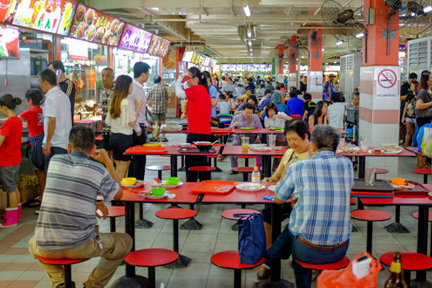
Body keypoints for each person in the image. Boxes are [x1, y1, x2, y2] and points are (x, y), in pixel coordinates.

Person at [29, 126, 132, 288]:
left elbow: (68, 189)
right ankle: (92, 285)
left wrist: (94, 202)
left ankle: (60, 282)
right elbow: (118, 194)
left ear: (69, 148)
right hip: (81, 245)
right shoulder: (98, 169)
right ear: (93, 149)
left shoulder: (55, 162)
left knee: (32, 243)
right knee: (124, 241)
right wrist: (107, 162)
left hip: (46, 245)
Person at [261, 125, 353, 288]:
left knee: (293, 230)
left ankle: (270, 259)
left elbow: (278, 199)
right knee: (295, 227)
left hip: (307, 250)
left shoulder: (298, 167)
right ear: (336, 146)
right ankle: (270, 258)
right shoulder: (347, 165)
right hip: (341, 248)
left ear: (312, 145)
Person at [257, 120, 311, 279]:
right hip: (282, 196)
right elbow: (277, 176)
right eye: (289, 140)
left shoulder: (312, 155)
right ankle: (269, 255)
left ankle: (276, 259)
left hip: (301, 200)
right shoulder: (288, 153)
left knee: (295, 220)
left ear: (306, 136)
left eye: (295, 139)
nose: (292, 143)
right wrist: (269, 179)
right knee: (266, 215)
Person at [175, 67, 212, 182]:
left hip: (197, 133)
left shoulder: (197, 89)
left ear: (195, 79)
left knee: (191, 164)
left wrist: (178, 80)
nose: (186, 81)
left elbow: (179, 93)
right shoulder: (202, 90)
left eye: (188, 78)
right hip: (203, 132)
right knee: (201, 163)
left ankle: (191, 189)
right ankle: (204, 189)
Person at [106, 75, 141, 180]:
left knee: (117, 169)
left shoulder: (113, 101)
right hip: (125, 138)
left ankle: (114, 191)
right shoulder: (127, 103)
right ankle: (119, 193)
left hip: (113, 137)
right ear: (126, 87)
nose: (132, 88)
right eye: (131, 86)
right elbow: (131, 123)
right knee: (123, 170)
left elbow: (108, 121)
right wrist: (137, 110)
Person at [39, 69, 72, 170]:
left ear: (45, 82)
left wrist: (48, 142)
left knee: (52, 177)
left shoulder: (50, 98)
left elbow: (52, 121)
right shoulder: (63, 96)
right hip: (65, 142)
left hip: (55, 144)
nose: (40, 85)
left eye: (40, 82)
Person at [19, 89, 46, 205]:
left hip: (36, 143)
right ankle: (43, 196)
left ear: (29, 100)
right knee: (41, 171)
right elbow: (36, 123)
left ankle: (42, 198)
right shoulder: (41, 110)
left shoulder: (31, 111)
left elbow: (13, 119)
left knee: (40, 171)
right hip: (41, 140)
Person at [0, 94, 23, 228]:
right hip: (15, 158)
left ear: (4, 107)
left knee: (10, 190)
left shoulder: (8, 123)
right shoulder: (18, 120)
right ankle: (17, 214)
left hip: (7, 161)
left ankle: (12, 219)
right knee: (14, 186)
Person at [128, 62, 152, 180]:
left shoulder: (139, 88)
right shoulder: (133, 89)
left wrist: (146, 124)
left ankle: (138, 183)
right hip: (135, 129)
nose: (148, 76)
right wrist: (138, 129)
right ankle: (135, 185)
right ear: (143, 74)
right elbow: (132, 112)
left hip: (140, 126)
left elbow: (141, 111)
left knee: (140, 159)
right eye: (148, 74)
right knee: (137, 160)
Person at [229, 103, 263, 174]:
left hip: (252, 139)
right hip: (239, 139)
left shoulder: (255, 118)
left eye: (250, 113)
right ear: (243, 111)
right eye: (246, 112)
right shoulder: (237, 117)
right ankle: (234, 167)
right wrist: (234, 125)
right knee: (232, 148)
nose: (248, 114)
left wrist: (258, 137)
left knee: (261, 149)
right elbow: (229, 130)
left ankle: (260, 168)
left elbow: (260, 130)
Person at [48, 61, 76, 125]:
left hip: (65, 123)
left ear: (59, 72)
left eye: (51, 72)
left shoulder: (69, 84)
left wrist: (57, 82)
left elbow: (62, 100)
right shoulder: (53, 85)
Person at [147, 75, 169, 141]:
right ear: (160, 80)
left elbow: (147, 98)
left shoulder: (151, 88)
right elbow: (167, 98)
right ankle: (163, 137)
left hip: (155, 109)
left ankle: (156, 137)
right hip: (162, 108)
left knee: (156, 123)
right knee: (163, 123)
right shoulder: (164, 88)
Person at [100, 67, 115, 157]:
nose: (104, 78)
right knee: (106, 152)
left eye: (107, 76)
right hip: (105, 128)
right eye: (102, 76)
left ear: (112, 77)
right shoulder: (101, 90)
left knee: (115, 153)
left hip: (115, 127)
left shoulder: (117, 90)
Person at [400, 73, 418, 144]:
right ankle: (406, 145)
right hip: (409, 115)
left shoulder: (419, 94)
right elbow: (405, 106)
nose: (412, 85)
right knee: (407, 131)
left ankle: (414, 145)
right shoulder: (407, 92)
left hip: (416, 116)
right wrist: (403, 116)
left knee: (415, 132)